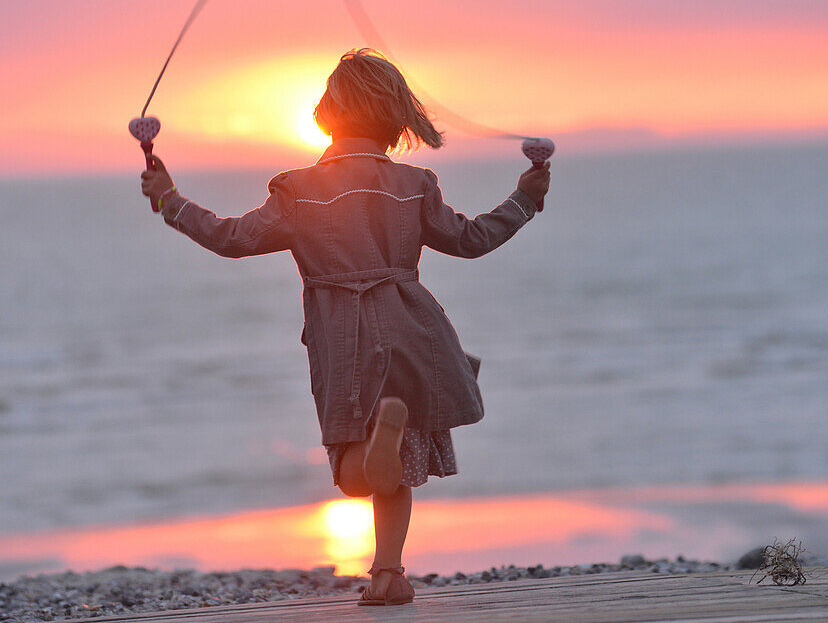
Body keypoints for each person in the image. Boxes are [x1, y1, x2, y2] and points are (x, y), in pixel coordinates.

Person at [140, 48, 551, 606]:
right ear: (396, 118)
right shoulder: (414, 183)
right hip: (412, 325)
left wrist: (170, 200)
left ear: (328, 111)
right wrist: (524, 200)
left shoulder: (299, 189)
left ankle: (382, 513)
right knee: (400, 466)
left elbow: (231, 239)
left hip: (342, 332)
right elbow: (471, 240)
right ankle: (390, 574)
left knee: (354, 470)